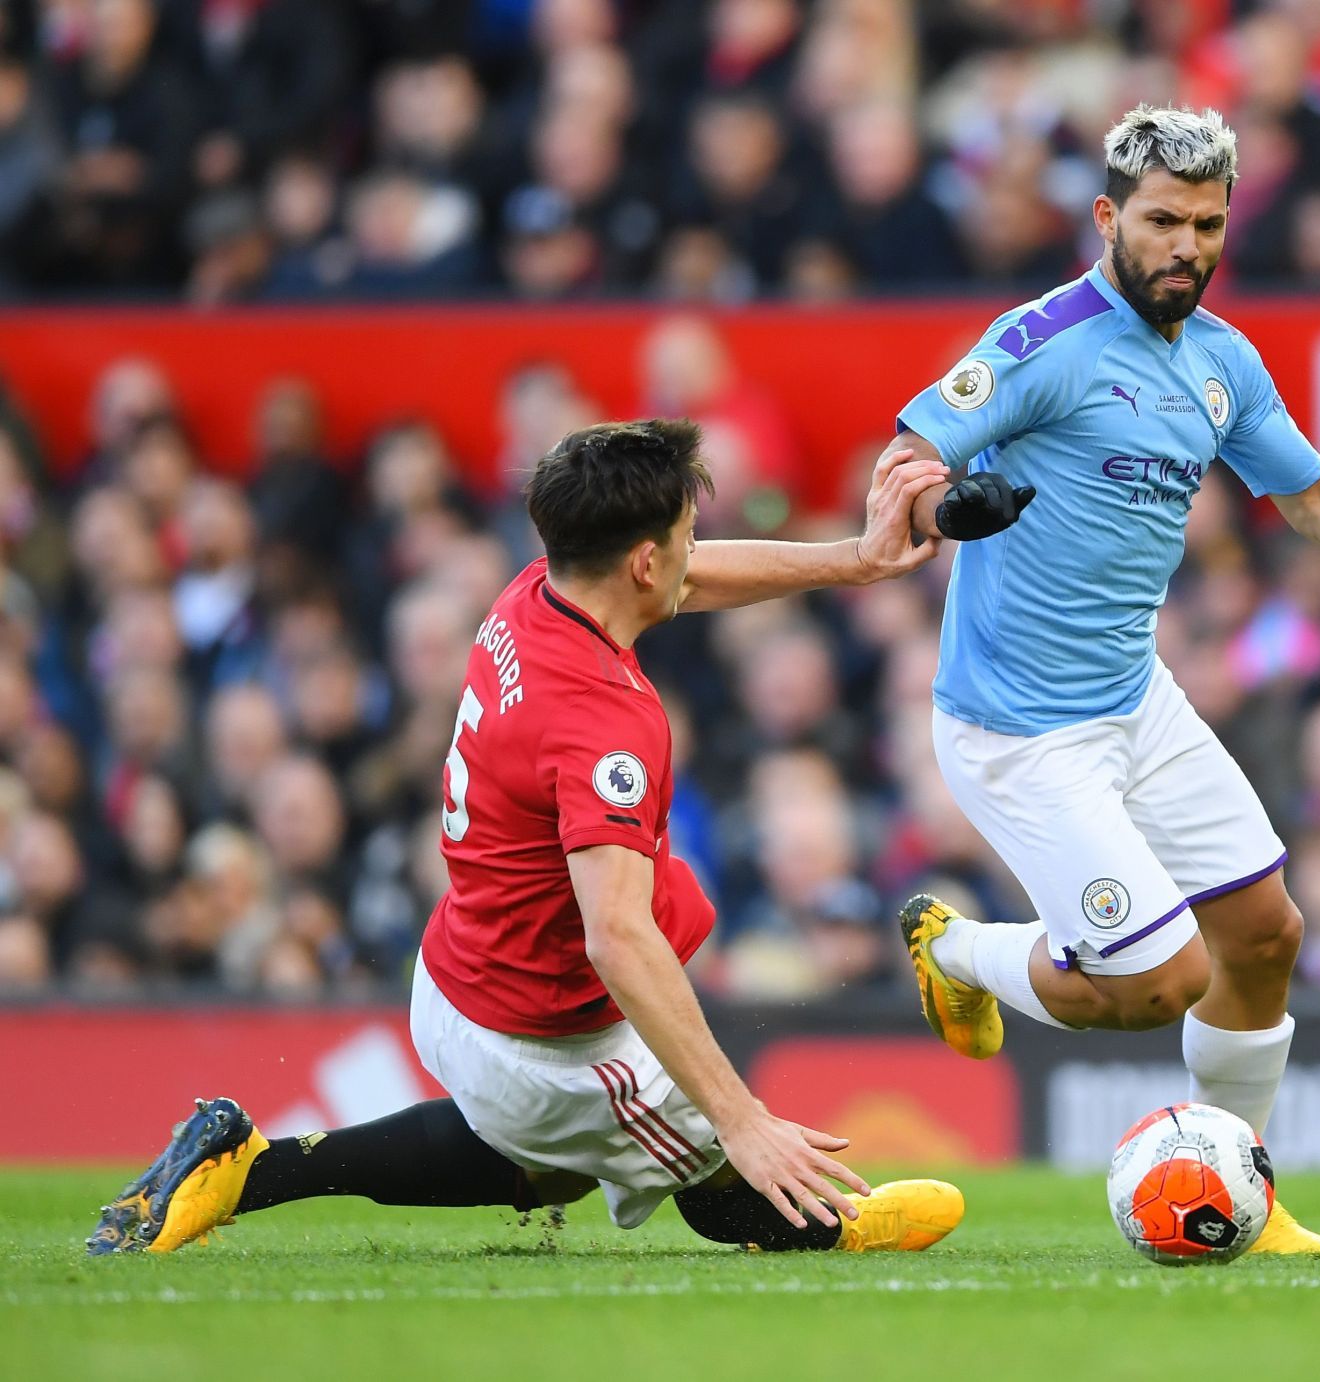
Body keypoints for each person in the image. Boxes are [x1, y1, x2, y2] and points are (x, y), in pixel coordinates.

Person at [88, 423, 967, 1257]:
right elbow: (618, 938)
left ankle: (248, 1167)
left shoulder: (535, 592)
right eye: (688, 534)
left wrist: (855, 562)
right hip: (549, 1035)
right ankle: (832, 1225)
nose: (697, 553)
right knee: (714, 1169)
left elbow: (689, 578)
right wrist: (742, 1122)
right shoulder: (603, 724)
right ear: (643, 559)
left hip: (461, 969)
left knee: (548, 1168)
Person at [889, 106, 1320, 1256]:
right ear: (1110, 217)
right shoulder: (1041, 340)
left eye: (1207, 224)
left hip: (1134, 700)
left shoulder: (1223, 361)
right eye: (1162, 220)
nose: (1186, 246)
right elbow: (904, 459)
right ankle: (955, 947)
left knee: (1265, 935)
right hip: (1020, 730)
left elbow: (1309, 499)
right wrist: (947, 506)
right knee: (1165, 979)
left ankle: (1244, 1197)